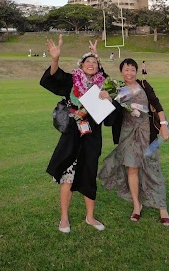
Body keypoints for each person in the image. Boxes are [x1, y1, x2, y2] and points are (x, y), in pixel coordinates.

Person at [40, 35, 119, 234]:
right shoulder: (71, 81)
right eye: (87, 61)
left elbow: (111, 116)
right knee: (68, 176)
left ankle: (90, 217)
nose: (91, 64)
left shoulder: (104, 86)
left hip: (92, 136)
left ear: (99, 66)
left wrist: (108, 98)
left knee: (89, 174)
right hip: (73, 135)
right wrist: (55, 59)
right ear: (81, 65)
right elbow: (53, 78)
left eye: (94, 62)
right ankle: (64, 218)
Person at [98, 58, 169, 226]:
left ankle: (162, 207)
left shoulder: (144, 85)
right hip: (128, 133)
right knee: (132, 169)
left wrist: (164, 125)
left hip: (147, 132)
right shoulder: (118, 90)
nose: (129, 73)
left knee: (152, 169)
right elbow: (104, 79)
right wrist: (98, 59)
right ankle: (137, 206)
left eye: (132, 70)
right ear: (121, 72)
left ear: (136, 72)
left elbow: (156, 104)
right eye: (126, 69)